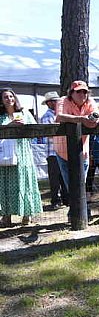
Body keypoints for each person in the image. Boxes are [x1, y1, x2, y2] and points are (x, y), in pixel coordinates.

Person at [54, 80, 99, 217]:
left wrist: (90, 120)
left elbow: (95, 119)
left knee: (81, 184)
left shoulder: (91, 102)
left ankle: (77, 214)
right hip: (63, 150)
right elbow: (59, 117)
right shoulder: (63, 100)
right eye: (78, 91)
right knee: (71, 185)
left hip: (82, 151)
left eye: (85, 91)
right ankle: (81, 214)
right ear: (71, 93)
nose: (82, 94)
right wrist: (82, 119)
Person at [0, 88, 43, 226]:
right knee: (6, 185)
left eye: (11, 96)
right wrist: (9, 126)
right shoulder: (1, 116)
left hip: (23, 153)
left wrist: (26, 128)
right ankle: (6, 216)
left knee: (25, 182)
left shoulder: (24, 113)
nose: (9, 99)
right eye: (5, 97)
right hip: (6, 155)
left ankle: (27, 215)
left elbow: (36, 130)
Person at [40, 91, 68, 209]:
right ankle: (55, 200)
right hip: (52, 152)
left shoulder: (60, 114)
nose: (57, 103)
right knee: (55, 178)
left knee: (63, 176)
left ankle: (66, 199)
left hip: (61, 150)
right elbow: (50, 134)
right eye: (55, 101)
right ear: (49, 103)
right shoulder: (47, 116)